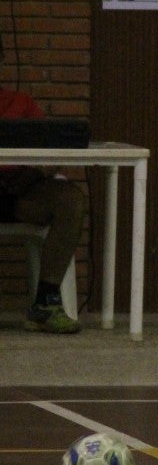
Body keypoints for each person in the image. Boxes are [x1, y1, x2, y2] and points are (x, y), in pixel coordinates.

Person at [0, 87, 87, 334]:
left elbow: (53, 148)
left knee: (70, 199)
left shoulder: (22, 103)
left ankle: (46, 304)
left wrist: (37, 172)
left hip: (21, 191)